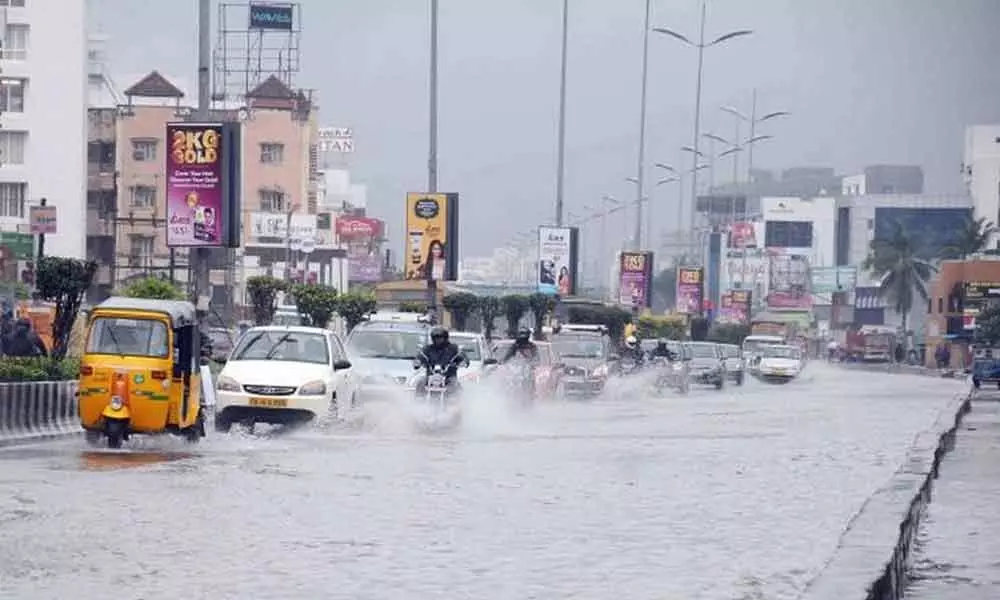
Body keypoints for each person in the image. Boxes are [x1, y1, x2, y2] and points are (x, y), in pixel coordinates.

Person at [414, 327, 468, 393]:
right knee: (420, 382)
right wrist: (418, 362)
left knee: (454, 385)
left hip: (449, 376)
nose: (438, 340)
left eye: (440, 337)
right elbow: (421, 356)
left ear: (445, 338)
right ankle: (419, 400)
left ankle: (455, 401)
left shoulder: (453, 348)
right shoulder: (428, 349)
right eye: (435, 338)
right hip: (431, 376)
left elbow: (461, 356)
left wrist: (463, 361)